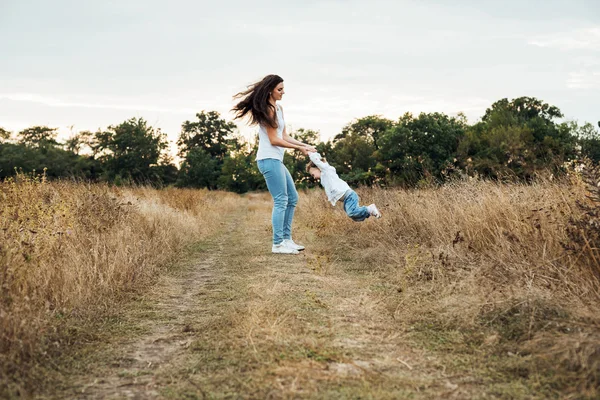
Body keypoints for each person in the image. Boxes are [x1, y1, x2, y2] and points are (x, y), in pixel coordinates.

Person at [232, 74, 316, 255]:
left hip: (276, 160)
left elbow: (284, 136)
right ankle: (277, 244)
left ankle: (286, 240)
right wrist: (299, 149)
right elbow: (274, 140)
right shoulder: (268, 110)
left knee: (292, 198)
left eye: (283, 89)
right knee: (281, 200)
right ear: (270, 90)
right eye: (280, 89)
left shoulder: (279, 109)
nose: (283, 92)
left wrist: (304, 145)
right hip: (268, 159)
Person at [306, 152, 382, 221]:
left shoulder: (326, 171)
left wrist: (310, 153)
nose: (314, 177)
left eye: (313, 174)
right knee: (353, 216)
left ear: (318, 168)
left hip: (349, 196)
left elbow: (317, 161)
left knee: (352, 213)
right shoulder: (324, 177)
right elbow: (319, 160)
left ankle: (369, 209)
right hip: (346, 200)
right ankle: (369, 211)